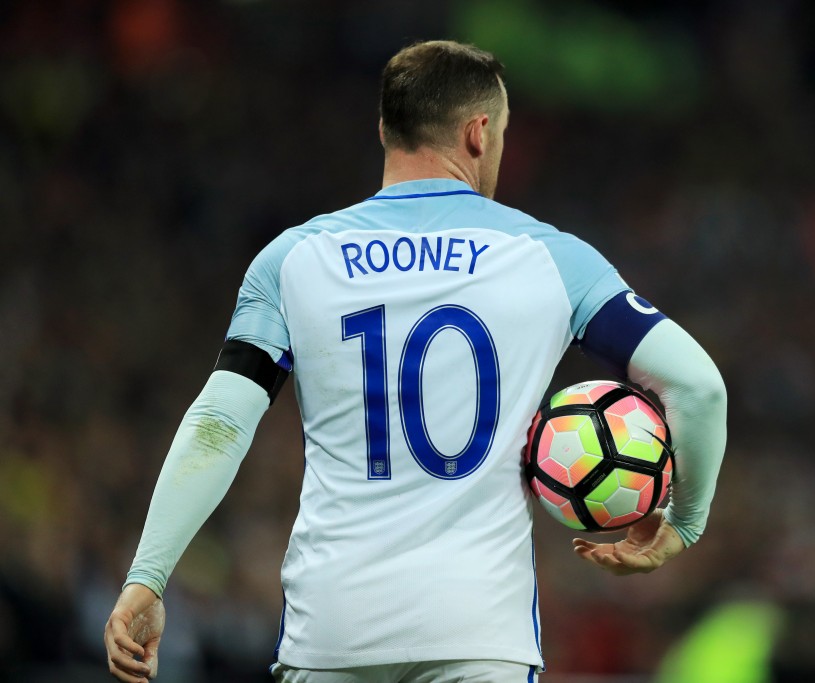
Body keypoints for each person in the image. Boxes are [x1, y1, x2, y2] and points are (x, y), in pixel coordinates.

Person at [103, 40, 727, 683]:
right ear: (479, 133)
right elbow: (698, 387)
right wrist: (682, 523)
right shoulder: (550, 259)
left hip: (332, 631)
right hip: (479, 634)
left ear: (384, 129)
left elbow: (219, 423)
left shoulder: (294, 259)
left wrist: (148, 577)